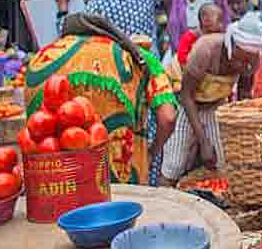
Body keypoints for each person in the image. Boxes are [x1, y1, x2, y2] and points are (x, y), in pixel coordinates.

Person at [27, 11, 177, 186]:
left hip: (56, 181)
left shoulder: (41, 58)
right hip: (120, 179)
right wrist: (152, 152)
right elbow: (168, 117)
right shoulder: (138, 56)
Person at [160, 12, 262, 186]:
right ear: (230, 44)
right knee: (174, 165)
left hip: (216, 104)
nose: (243, 66)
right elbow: (186, 95)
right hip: (186, 103)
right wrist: (203, 141)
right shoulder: (205, 50)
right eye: (240, 59)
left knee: (223, 163)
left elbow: (244, 96)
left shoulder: (252, 61)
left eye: (248, 62)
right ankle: (164, 202)